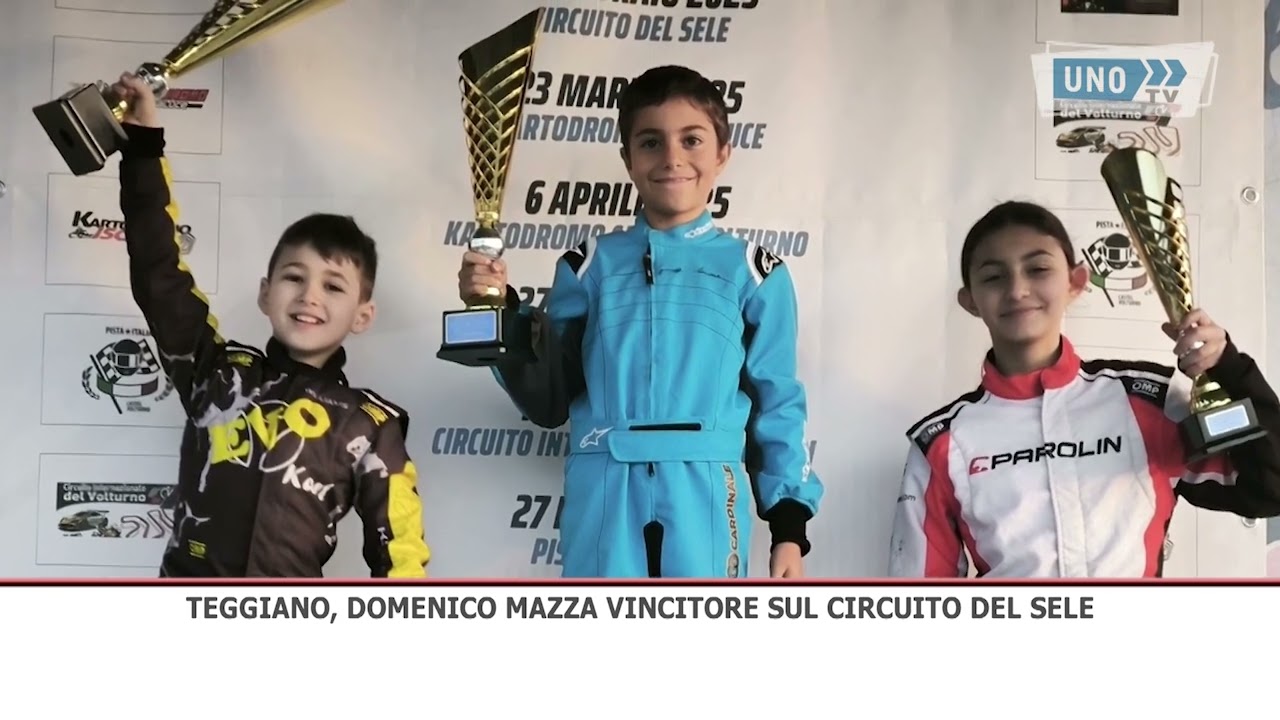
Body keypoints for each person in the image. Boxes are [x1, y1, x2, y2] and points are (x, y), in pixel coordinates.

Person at [457, 65, 823, 578]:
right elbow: (550, 395)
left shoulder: (754, 272)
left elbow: (777, 401)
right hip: (604, 484)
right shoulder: (587, 266)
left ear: (722, 153)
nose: (672, 158)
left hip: (706, 488)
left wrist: (788, 528)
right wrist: (500, 308)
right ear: (628, 159)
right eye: (651, 142)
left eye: (691, 140)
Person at [113, 73, 431, 578]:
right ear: (266, 293)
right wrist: (143, 147)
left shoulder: (370, 425)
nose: (309, 296)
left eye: (333, 286)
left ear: (362, 315)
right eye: (294, 277)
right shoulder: (215, 373)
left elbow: (401, 561)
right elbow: (157, 272)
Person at [888, 200, 1280, 578]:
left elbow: (1270, 489)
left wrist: (1229, 367)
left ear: (1075, 282)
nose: (1017, 289)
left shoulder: (1149, 402)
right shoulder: (941, 442)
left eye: (1038, 269)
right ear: (970, 300)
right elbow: (923, 600)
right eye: (994, 276)